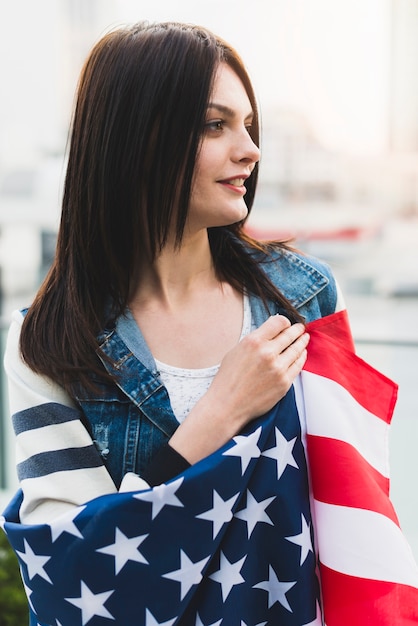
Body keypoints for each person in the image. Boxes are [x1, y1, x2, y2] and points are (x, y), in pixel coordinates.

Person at [3, 21, 345, 624]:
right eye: (215, 125)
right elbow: (74, 577)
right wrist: (218, 413)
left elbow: (348, 515)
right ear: (136, 137)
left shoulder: (305, 296)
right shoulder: (49, 344)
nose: (250, 150)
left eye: (248, 125)